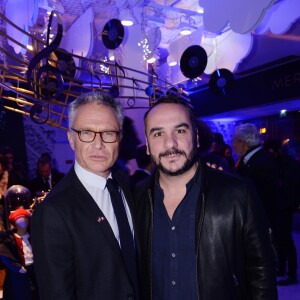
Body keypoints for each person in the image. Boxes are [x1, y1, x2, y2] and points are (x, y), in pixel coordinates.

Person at [134, 95, 278, 300]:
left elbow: (262, 270)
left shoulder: (238, 193)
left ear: (197, 137)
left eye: (180, 130)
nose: (170, 143)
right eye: (158, 133)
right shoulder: (135, 197)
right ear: (147, 145)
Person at [31, 91, 139, 299]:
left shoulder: (126, 184)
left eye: (108, 133)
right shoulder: (53, 211)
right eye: (87, 133)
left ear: (119, 138)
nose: (98, 144)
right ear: (72, 139)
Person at [232, 123, 280, 236]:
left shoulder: (261, 163)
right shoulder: (254, 159)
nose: (232, 145)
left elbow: (262, 201)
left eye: (233, 141)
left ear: (242, 142)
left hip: (261, 227)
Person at [264, 139, 299, 285]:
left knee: (287, 240)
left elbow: (292, 186)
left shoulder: (289, 163)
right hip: (280, 206)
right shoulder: (280, 161)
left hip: (285, 206)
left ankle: (291, 273)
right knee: (281, 239)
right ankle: (282, 268)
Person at [0, 207, 39, 300]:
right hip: (18, 273)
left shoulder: (34, 236)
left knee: (36, 293)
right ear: (14, 222)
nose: (23, 221)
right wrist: (16, 267)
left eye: (25, 219)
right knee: (20, 294)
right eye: (19, 219)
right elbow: (5, 255)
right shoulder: (9, 239)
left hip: (35, 271)